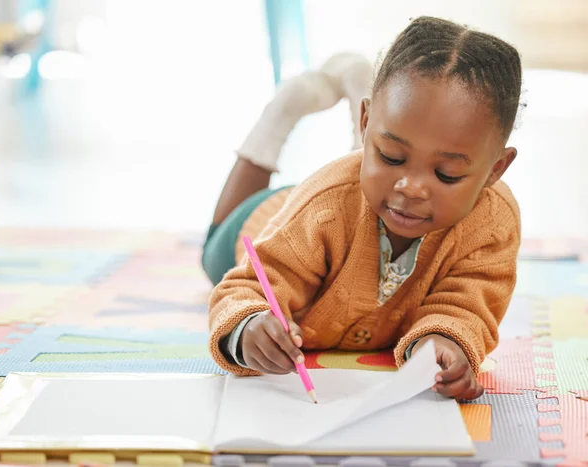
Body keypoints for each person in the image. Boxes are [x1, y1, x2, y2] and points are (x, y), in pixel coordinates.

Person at [202, 16, 522, 401]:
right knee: (209, 251)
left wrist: (444, 343)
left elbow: (468, 304)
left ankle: (364, 117)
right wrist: (248, 326)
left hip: (359, 193)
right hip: (265, 219)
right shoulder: (324, 205)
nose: (411, 188)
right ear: (367, 121)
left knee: (377, 170)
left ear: (496, 169)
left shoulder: (493, 222)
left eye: (446, 174)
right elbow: (245, 287)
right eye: (390, 156)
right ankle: (283, 110)